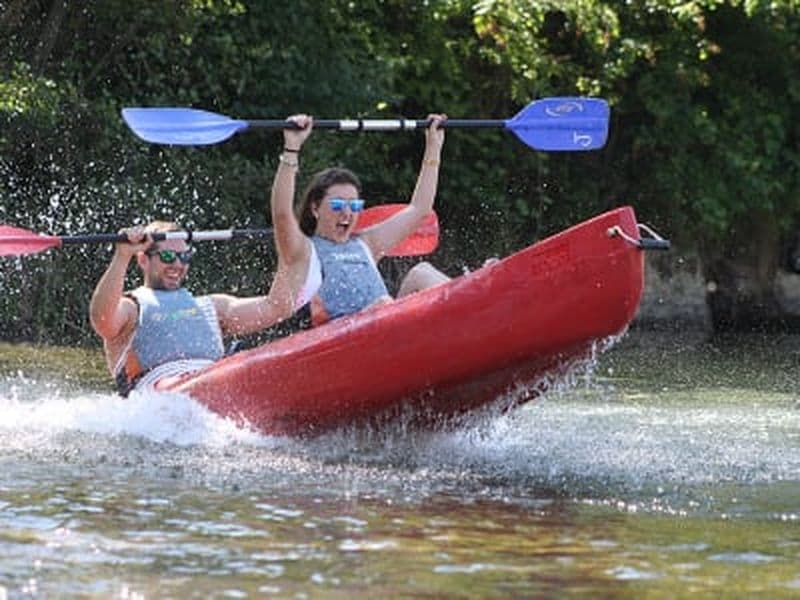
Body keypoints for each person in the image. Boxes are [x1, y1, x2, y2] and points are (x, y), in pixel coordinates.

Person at [270, 113, 451, 326]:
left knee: (422, 273)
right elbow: (282, 215)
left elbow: (420, 210)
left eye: (355, 206)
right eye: (338, 205)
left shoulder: (367, 243)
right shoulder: (302, 250)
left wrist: (434, 147)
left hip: (388, 324)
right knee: (383, 303)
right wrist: (292, 149)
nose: (347, 213)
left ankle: (476, 300)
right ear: (315, 208)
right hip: (343, 339)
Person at [89, 220, 295, 395]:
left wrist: (289, 251)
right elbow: (102, 320)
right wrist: (122, 256)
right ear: (143, 259)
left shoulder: (213, 307)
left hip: (216, 381)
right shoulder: (131, 307)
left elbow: (277, 307)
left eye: (185, 257)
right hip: (160, 394)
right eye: (168, 257)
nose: (178, 265)